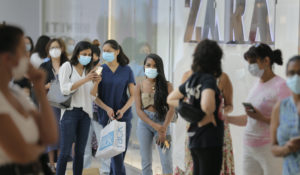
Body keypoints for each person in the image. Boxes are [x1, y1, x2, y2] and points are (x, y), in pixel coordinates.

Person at [0, 25, 58, 174]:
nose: (27, 56)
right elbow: (22, 153)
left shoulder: (16, 93)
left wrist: (39, 88)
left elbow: (50, 136)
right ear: (8, 58)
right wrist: (39, 148)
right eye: (23, 51)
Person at [226, 43, 291, 175]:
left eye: (253, 62)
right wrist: (227, 119)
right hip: (249, 147)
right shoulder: (256, 86)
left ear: (266, 61)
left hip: (269, 148)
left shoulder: (281, 86)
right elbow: (249, 119)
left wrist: (261, 118)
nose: (250, 67)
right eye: (249, 63)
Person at [167, 39, 224, 175]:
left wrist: (188, 110)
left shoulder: (192, 80)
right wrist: (206, 115)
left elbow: (171, 98)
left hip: (195, 138)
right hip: (209, 139)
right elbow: (207, 105)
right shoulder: (208, 80)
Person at [174, 70, 235, 175]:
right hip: (195, 126)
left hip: (216, 126)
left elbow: (230, 106)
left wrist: (220, 110)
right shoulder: (188, 76)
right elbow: (180, 100)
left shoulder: (223, 77)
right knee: (194, 163)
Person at [56, 41, 100, 175]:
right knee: (64, 152)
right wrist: (86, 79)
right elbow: (64, 89)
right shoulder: (67, 66)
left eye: (89, 54)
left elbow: (92, 97)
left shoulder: (88, 70)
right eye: (84, 54)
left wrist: (96, 82)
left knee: (80, 153)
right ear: (77, 54)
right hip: (70, 113)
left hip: (86, 113)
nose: (86, 56)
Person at [94, 39, 135, 175]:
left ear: (117, 52)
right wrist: (107, 109)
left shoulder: (127, 70)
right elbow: (93, 95)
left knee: (119, 157)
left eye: (109, 51)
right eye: (104, 51)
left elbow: (133, 95)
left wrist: (123, 110)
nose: (105, 54)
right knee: (116, 158)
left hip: (124, 117)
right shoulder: (100, 70)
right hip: (107, 117)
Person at [135, 54, 174, 175]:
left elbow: (172, 109)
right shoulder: (139, 85)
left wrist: (163, 129)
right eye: (148, 65)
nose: (151, 68)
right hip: (144, 124)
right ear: (144, 66)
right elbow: (139, 111)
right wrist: (154, 125)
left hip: (163, 123)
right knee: (146, 161)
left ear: (160, 68)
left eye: (155, 66)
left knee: (166, 160)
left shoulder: (167, 86)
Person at [39, 38, 69, 173]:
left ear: (62, 49)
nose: (55, 50)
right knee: (51, 132)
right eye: (52, 48)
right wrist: (49, 85)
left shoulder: (67, 65)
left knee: (63, 133)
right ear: (48, 50)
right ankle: (51, 164)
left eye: (57, 47)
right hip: (48, 104)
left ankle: (61, 164)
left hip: (65, 103)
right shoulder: (44, 66)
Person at [84, 44, 111, 175]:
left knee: (103, 143)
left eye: (91, 55)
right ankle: (85, 170)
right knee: (84, 145)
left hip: (97, 112)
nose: (89, 57)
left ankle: (106, 171)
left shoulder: (102, 70)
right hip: (83, 112)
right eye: (86, 55)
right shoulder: (83, 70)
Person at [271, 55, 300, 175]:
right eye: (292, 73)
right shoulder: (280, 107)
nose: (297, 77)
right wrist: (287, 148)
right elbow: (273, 148)